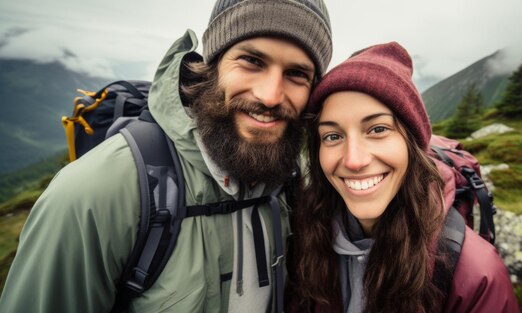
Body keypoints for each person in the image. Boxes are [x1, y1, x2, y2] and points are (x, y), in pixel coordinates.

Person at [0, 0, 332, 312]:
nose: (271, 95)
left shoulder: (293, 181)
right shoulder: (94, 194)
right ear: (211, 66)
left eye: (297, 74)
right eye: (252, 61)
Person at [288, 42, 519, 313]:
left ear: (412, 145)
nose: (353, 160)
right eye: (333, 136)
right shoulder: (306, 234)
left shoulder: (479, 276)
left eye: (377, 129)